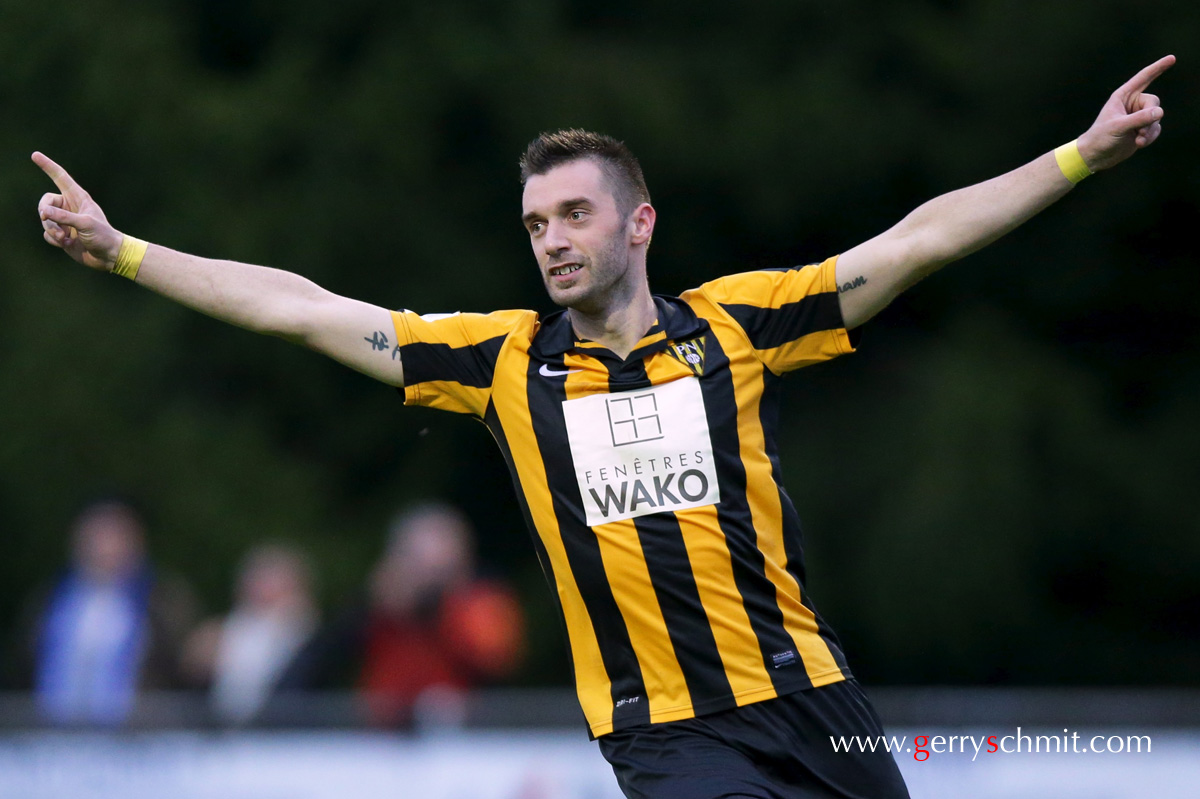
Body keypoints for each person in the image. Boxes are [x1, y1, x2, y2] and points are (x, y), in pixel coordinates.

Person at [33, 54, 1173, 796]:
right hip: (666, 734)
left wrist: (1080, 154)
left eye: (575, 212)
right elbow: (301, 309)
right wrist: (124, 250)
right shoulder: (501, 361)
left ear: (639, 223)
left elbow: (919, 240)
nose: (552, 238)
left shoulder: (739, 325)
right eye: (535, 222)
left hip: (817, 698)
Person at [274, 502, 526, 729]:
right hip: (381, 741)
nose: (424, 576)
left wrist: (433, 607)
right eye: (415, 563)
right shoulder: (377, 607)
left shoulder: (484, 600)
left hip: (467, 741)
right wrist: (366, 608)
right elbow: (318, 661)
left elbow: (496, 662)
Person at [20, 498, 196, 726]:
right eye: (96, 535)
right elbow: (24, 662)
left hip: (135, 741)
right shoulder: (51, 599)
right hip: (50, 738)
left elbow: (184, 663)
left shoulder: (163, 599)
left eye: (115, 535)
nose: (104, 545)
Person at [181, 542, 318, 724]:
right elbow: (193, 668)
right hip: (224, 724)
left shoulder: (305, 632)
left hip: (283, 728)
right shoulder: (226, 629)